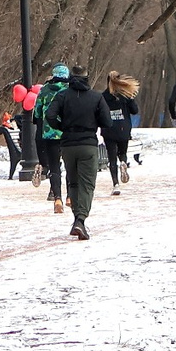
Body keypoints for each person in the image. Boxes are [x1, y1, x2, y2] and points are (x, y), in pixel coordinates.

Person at [41, 69, 105, 239]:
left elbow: (49, 115)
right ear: (87, 78)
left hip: (68, 145)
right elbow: (107, 121)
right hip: (88, 145)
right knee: (87, 184)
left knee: (74, 182)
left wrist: (62, 127)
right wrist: (92, 122)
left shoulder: (62, 96)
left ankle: (77, 219)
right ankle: (80, 220)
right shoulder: (96, 97)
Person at [35, 63, 77, 211]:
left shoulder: (44, 90)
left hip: (50, 133)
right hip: (67, 133)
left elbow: (37, 113)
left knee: (54, 166)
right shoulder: (70, 90)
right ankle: (70, 196)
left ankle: (57, 198)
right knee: (70, 165)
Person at [100, 72, 138, 192]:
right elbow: (135, 111)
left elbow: (99, 113)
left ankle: (116, 184)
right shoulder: (126, 95)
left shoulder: (103, 96)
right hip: (124, 128)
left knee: (111, 158)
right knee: (122, 152)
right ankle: (123, 162)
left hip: (109, 129)